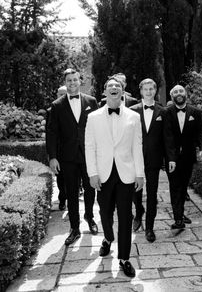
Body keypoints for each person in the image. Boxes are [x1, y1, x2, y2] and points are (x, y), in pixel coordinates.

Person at [85, 76, 144, 278]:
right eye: (109, 85)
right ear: (104, 91)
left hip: (126, 174)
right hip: (102, 174)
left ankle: (124, 258)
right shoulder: (93, 117)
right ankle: (108, 238)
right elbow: (89, 146)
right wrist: (92, 173)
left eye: (117, 86)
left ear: (122, 91)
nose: (113, 87)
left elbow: (137, 146)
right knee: (105, 213)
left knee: (126, 216)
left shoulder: (133, 117)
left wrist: (140, 174)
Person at [46, 68, 99, 246]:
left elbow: (99, 129)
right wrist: (53, 157)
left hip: (89, 155)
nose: (72, 83)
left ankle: (90, 217)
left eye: (75, 80)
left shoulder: (92, 101)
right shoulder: (57, 105)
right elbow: (51, 133)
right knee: (71, 192)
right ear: (65, 83)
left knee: (91, 189)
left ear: (80, 81)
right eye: (69, 80)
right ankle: (74, 228)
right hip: (67, 157)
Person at [130, 78, 176, 242]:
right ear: (141, 91)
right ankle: (139, 210)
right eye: (146, 89)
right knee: (135, 191)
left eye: (151, 89)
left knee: (152, 193)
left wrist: (170, 158)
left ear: (155, 91)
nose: (149, 92)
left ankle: (149, 228)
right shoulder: (132, 111)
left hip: (154, 159)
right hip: (135, 159)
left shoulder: (163, 112)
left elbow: (168, 137)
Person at [165, 84, 202, 229]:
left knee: (183, 187)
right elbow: (167, 136)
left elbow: (201, 132)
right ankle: (178, 220)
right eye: (175, 91)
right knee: (175, 186)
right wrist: (170, 158)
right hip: (172, 158)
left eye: (181, 91)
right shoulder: (167, 112)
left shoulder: (195, 112)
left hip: (188, 157)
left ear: (185, 94)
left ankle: (180, 213)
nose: (179, 93)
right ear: (172, 96)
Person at [46, 85, 67, 211]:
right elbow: (49, 133)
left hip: (75, 150)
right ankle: (63, 198)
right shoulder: (51, 110)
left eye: (65, 93)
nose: (63, 96)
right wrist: (51, 154)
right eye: (60, 94)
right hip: (59, 151)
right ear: (57, 95)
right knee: (61, 177)